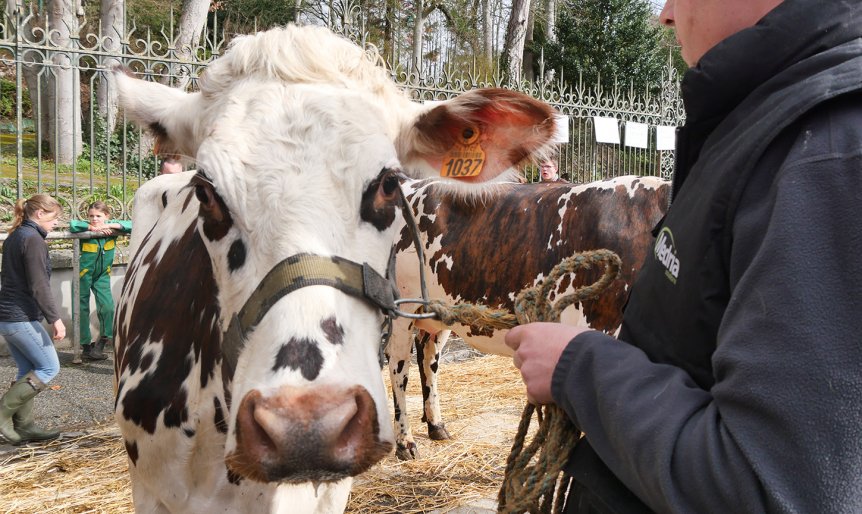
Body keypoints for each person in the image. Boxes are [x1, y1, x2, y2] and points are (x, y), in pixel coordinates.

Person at [505, 1, 862, 512]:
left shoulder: (828, 155)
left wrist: (578, 367)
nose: (665, 16)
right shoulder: (767, 124)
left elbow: (770, 487)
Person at [0, 194, 65, 444]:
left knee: (28, 369)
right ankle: (3, 413)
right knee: (50, 367)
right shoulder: (33, 239)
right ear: (39, 214)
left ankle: (24, 426)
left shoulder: (17, 235)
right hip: (20, 317)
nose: (56, 223)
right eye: (54, 218)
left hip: (8, 317)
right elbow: (39, 285)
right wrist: (55, 319)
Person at [69, 202, 131, 361]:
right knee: (81, 309)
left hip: (102, 275)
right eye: (91, 216)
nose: (94, 219)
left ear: (107, 216)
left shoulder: (112, 228)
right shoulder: (85, 227)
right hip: (82, 275)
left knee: (108, 307)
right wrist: (91, 228)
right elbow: (73, 224)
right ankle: (86, 347)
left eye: (98, 216)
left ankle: (102, 341)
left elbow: (132, 225)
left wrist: (114, 226)